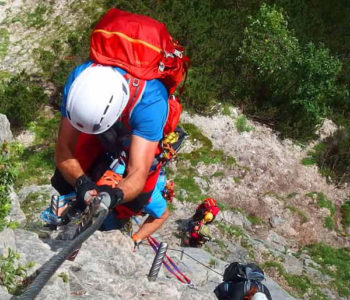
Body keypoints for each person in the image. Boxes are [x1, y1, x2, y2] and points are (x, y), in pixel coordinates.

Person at [51, 61, 170, 244]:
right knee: (66, 176)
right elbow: (63, 147)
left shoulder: (152, 102)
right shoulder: (80, 78)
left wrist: (116, 196)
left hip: (138, 132)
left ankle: (114, 222)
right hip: (103, 124)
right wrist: (81, 182)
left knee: (136, 199)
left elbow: (139, 172)